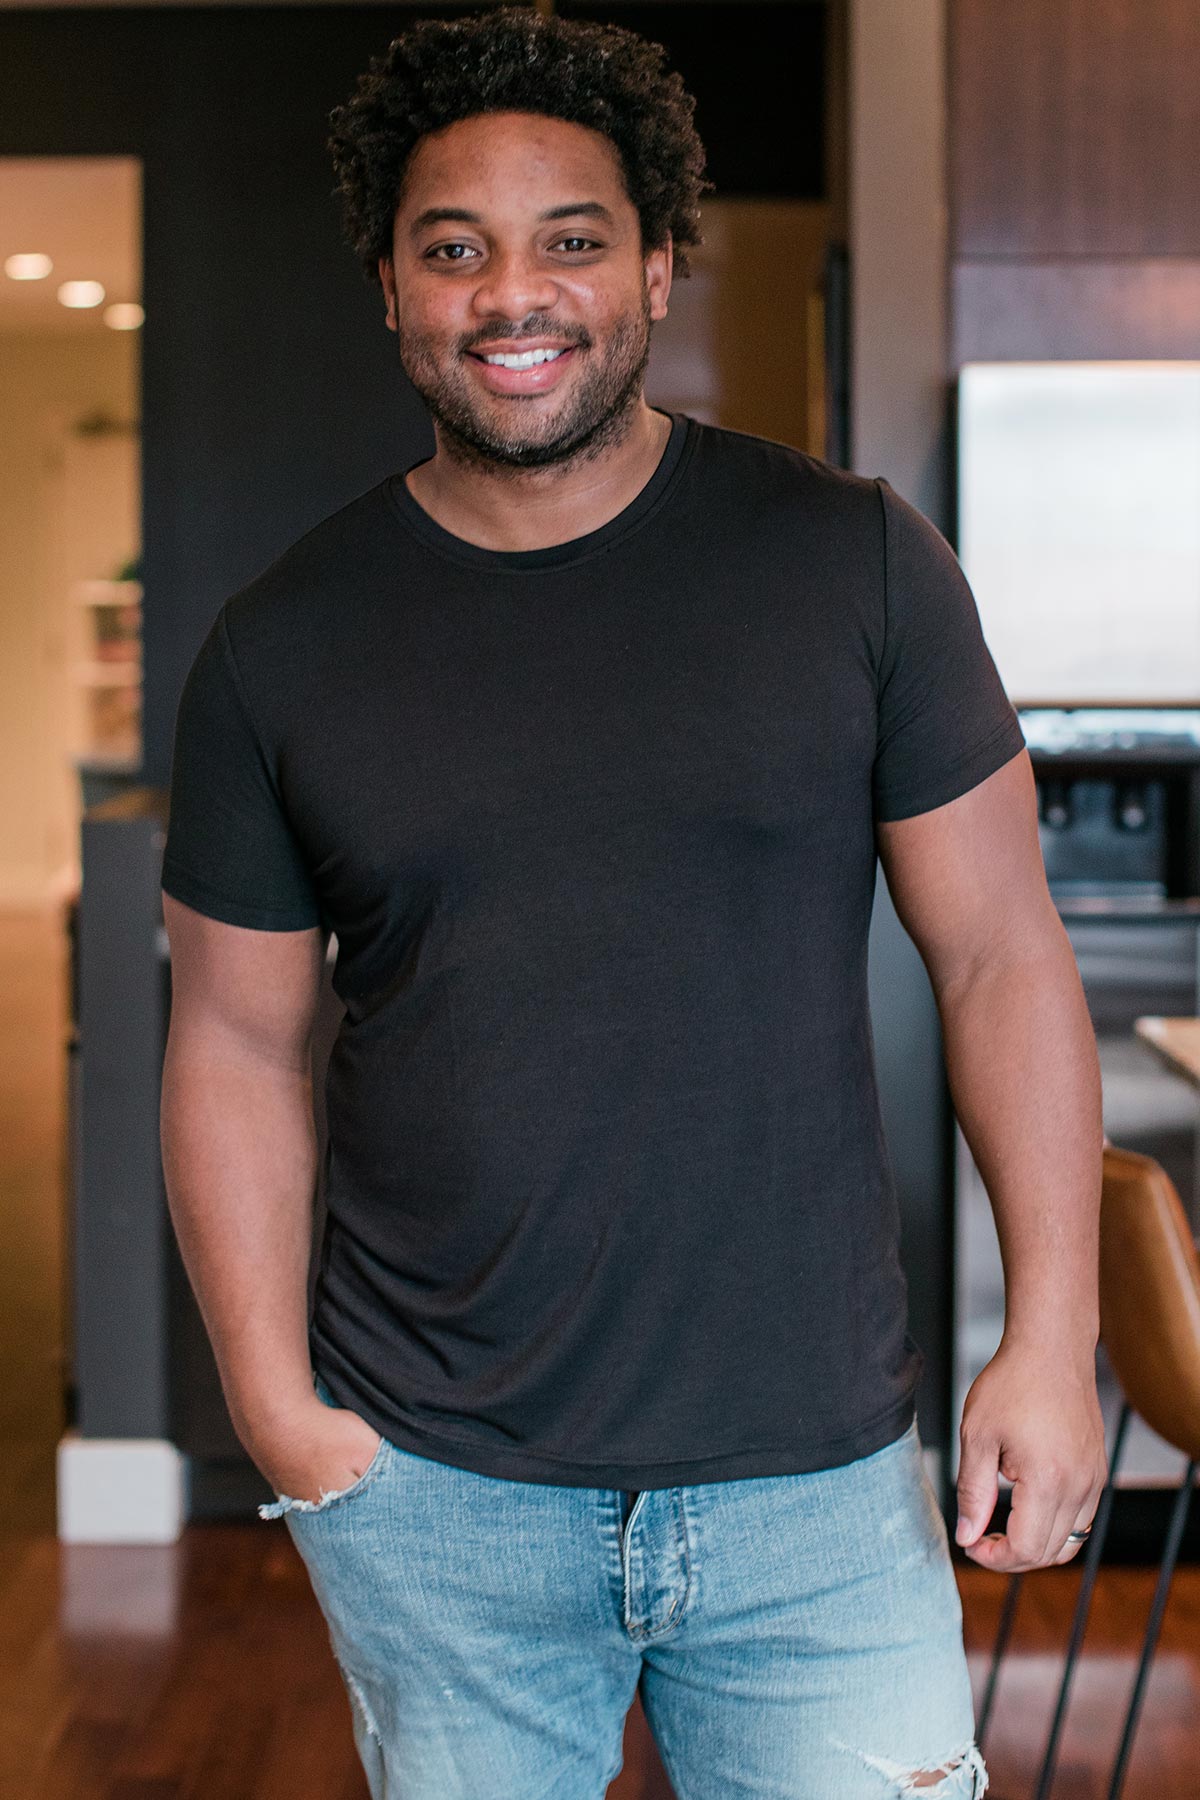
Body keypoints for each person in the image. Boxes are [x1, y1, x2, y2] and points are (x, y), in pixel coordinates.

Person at [158, 9, 1107, 1797]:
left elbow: (998, 952)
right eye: (456, 249)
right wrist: (283, 1419)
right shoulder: (278, 648)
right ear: (392, 286)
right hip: (437, 1499)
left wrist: (1048, 1342)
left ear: (660, 265)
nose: (515, 296)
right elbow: (235, 1038)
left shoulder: (853, 561)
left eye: (572, 241)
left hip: (814, 1488)